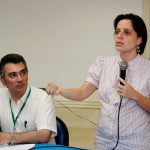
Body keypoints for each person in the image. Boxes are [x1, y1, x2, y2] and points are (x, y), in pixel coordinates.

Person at [46, 13, 150, 150]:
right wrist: (61, 91)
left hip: (136, 143)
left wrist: (135, 95)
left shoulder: (147, 69)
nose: (119, 35)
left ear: (139, 40)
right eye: (117, 31)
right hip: (104, 142)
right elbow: (82, 92)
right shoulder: (104, 63)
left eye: (127, 32)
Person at [0, 53, 57, 145]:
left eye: (23, 73)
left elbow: (44, 136)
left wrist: (8, 137)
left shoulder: (43, 97)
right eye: (13, 75)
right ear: (3, 81)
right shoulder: (1, 96)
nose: (20, 79)